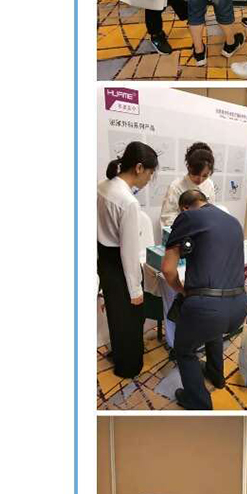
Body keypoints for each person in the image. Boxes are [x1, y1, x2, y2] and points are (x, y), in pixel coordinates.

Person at [161, 151, 246, 410]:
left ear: (184, 208)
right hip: (238, 307)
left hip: (207, 308)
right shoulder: (233, 222)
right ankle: (217, 376)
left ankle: (198, 401)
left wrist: (181, 290)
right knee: (213, 330)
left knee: (184, 350)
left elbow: (168, 270)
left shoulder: (187, 217)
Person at [97, 143, 162, 380]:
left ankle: (120, 356)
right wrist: (135, 290)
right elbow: (129, 252)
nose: (149, 179)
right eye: (150, 173)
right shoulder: (128, 202)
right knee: (131, 320)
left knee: (116, 316)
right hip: (121, 267)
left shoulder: (103, 186)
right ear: (139, 168)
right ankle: (129, 367)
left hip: (105, 261)